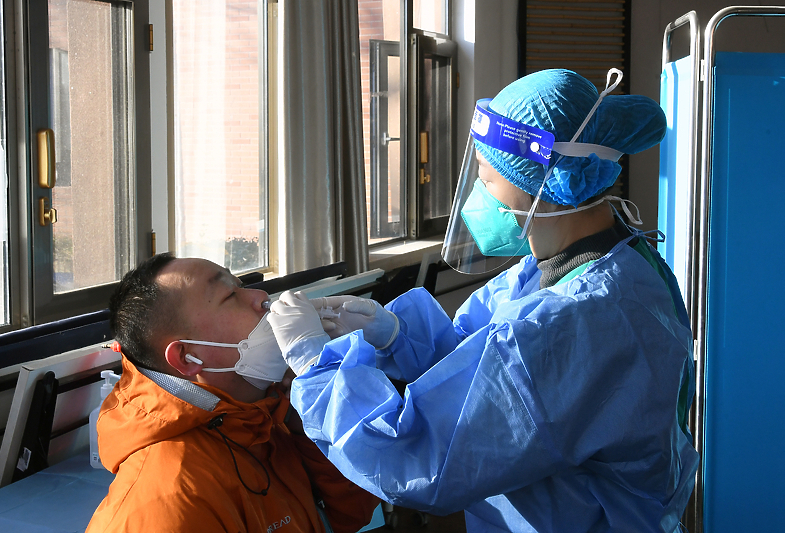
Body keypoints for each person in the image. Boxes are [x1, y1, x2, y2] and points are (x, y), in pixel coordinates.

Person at [268, 69, 699, 533]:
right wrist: (394, 334)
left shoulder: (574, 320)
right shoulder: (602, 260)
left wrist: (316, 368)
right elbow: (482, 360)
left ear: (548, 185)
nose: (478, 196)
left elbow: (421, 457)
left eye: (488, 180)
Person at [86, 253, 379, 533]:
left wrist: (314, 420)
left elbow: (350, 514)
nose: (261, 297)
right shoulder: (169, 500)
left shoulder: (263, 412)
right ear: (187, 357)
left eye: (242, 286)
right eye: (230, 296)